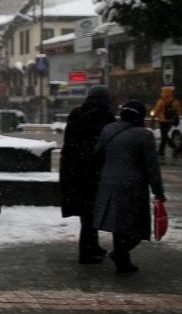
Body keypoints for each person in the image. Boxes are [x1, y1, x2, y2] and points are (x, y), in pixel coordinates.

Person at [92, 99, 166, 274]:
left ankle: (122, 259)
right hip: (133, 186)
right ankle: (121, 254)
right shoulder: (144, 135)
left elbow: (97, 155)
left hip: (107, 183)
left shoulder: (108, 130)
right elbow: (152, 167)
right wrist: (158, 191)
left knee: (118, 224)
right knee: (137, 226)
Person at [59, 85, 115, 264]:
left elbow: (69, 141)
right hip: (95, 170)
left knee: (86, 211)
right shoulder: (106, 117)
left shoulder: (76, 114)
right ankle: (86, 252)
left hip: (74, 170)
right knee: (92, 211)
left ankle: (93, 245)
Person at [152, 85, 182, 158]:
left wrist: (153, 119)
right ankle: (161, 151)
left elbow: (156, 110)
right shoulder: (175, 101)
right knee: (164, 135)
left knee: (164, 135)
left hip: (162, 121)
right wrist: (176, 118)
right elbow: (178, 111)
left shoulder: (161, 101)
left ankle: (173, 147)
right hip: (170, 121)